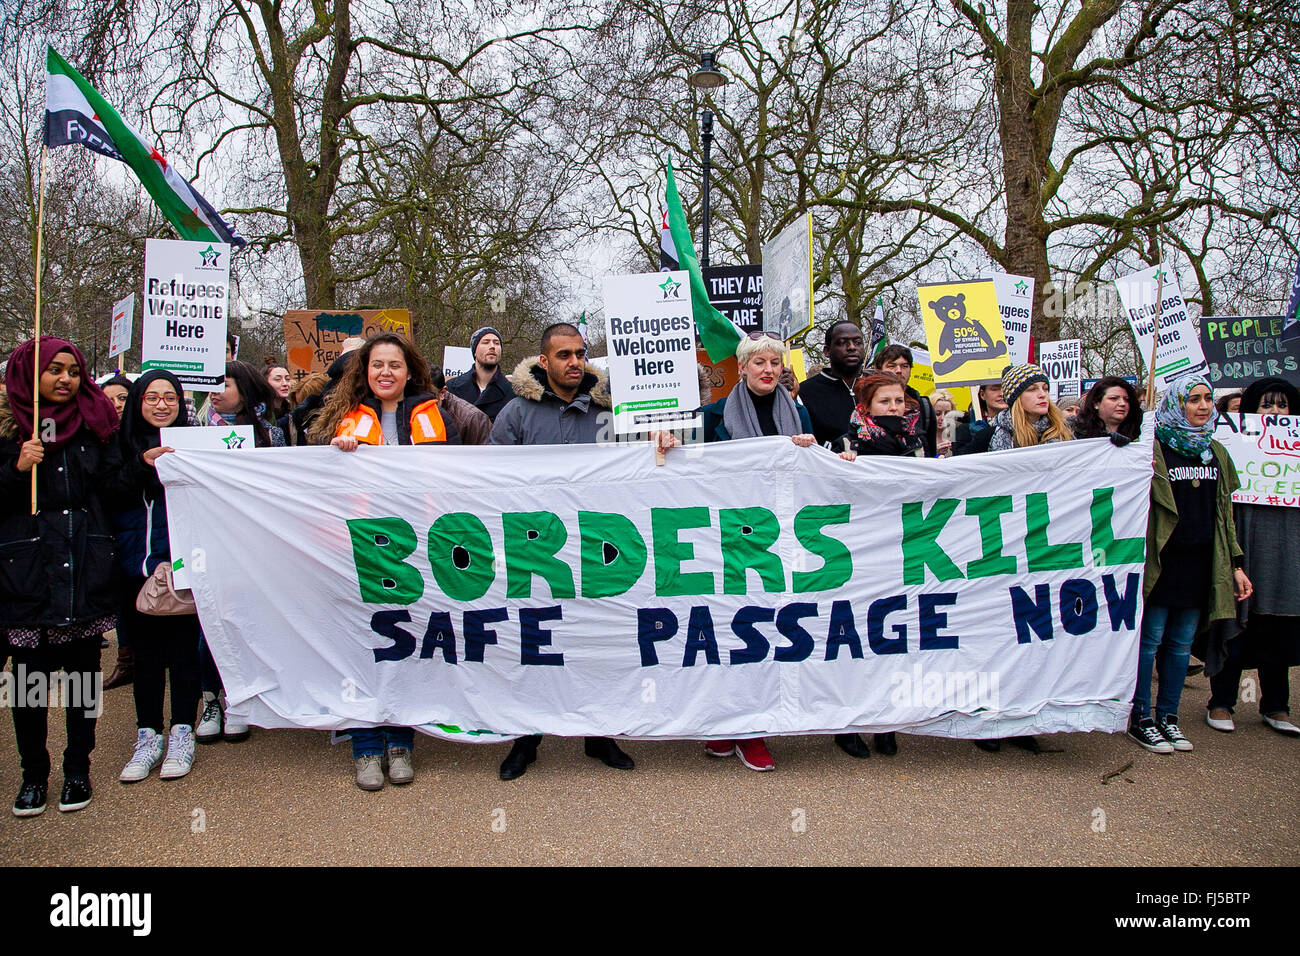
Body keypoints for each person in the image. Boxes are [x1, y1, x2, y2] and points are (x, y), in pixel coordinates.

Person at [310, 333, 460, 789]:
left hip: (415, 547)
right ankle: (365, 746)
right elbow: (316, 481)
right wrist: (335, 455)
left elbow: (457, 474)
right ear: (365, 370)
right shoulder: (345, 418)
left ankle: (400, 740)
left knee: (403, 643)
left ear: (409, 370)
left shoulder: (434, 414)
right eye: (377, 365)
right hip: (362, 549)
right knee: (362, 644)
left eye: (394, 365)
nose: (386, 373)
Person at [700, 332, 857, 768]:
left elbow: (825, 462)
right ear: (744, 368)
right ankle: (728, 724)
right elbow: (686, 466)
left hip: (782, 538)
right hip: (733, 536)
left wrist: (829, 457)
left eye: (775, 363)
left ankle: (756, 730)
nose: (768, 370)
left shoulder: (799, 413)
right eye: (759, 363)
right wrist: (668, 440)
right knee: (731, 628)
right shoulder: (714, 415)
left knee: (767, 628)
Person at [489, 322, 635, 780]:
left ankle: (599, 735)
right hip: (536, 550)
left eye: (581, 353)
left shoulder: (611, 410)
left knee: (597, 640)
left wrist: (660, 440)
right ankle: (526, 739)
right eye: (565, 355)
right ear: (544, 361)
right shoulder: (515, 413)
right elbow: (493, 480)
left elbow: (640, 469)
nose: (575, 362)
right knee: (533, 644)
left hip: (597, 547)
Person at [1, 337, 128, 816]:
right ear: (28, 374)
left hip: (83, 570)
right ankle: (34, 774)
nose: (65, 379)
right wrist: (16, 469)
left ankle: (78, 769)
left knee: (80, 680)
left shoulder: (95, 425)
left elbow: (114, 488)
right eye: (53, 369)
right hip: (27, 575)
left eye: (72, 371)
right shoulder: (11, 429)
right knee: (30, 684)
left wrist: (144, 462)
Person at [1132, 373, 1252, 754]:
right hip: (1161, 561)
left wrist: (1234, 563)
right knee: (1149, 642)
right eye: (1193, 399)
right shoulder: (1151, 450)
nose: (1202, 406)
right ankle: (1140, 718)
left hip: (1202, 563)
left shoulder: (1215, 451)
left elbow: (1224, 513)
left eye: (1207, 399)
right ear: (1175, 403)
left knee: (1181, 644)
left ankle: (1168, 716)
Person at [112, 371, 204, 782]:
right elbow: (106, 492)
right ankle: (148, 735)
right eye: (152, 397)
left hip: (182, 566)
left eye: (171, 397)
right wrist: (141, 466)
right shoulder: (116, 447)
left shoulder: (195, 446)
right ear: (138, 402)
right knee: (146, 656)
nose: (162, 404)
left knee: (183, 654)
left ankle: (183, 731)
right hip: (135, 568)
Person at [834, 371, 931, 758]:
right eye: (884, 402)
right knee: (856, 639)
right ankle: (849, 723)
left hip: (905, 549)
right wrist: (842, 464)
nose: (894, 408)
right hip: (860, 553)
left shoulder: (918, 441)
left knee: (897, 638)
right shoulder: (848, 442)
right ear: (865, 407)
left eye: (899, 401)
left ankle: (889, 721)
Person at [1206, 377, 1300, 738]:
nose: (1274, 412)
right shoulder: (1233, 446)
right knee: (1235, 622)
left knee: (1279, 627)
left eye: (1281, 405)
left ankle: (1277, 705)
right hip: (1247, 542)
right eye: (1266, 405)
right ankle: (1222, 701)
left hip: (1287, 551)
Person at [798, 321, 864, 446]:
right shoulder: (805, 392)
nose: (852, 347)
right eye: (843, 343)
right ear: (827, 351)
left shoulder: (879, 388)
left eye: (857, 342)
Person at [988, 364, 1075, 451]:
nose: (1042, 395)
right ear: (1015, 398)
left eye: (1045, 388)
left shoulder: (1065, 432)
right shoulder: (988, 437)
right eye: (1032, 389)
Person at [872, 345, 937, 456]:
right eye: (891, 366)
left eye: (904, 366)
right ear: (878, 370)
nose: (898, 371)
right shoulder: (863, 403)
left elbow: (930, 451)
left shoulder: (923, 406)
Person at [207, 361, 286, 448]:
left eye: (224, 385)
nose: (214, 391)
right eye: (213, 384)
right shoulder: (199, 425)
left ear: (244, 392)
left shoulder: (271, 435)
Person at [447, 326, 516, 421]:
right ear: (474, 351)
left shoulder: (513, 393)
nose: (492, 346)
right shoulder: (452, 389)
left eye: (496, 343)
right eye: (486, 342)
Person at [1072, 376, 1143, 441]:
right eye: (1114, 398)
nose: (1122, 403)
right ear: (1096, 403)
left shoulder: (1143, 433)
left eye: (1126, 399)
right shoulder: (1074, 434)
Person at [432, 368, 491, 445]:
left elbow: (485, 455)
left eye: (428, 396)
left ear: (442, 393)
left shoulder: (472, 419)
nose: (420, 402)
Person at [953, 382, 1007, 456]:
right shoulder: (965, 430)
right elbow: (959, 461)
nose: (1002, 393)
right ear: (982, 394)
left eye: (1005, 388)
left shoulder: (1022, 426)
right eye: (995, 389)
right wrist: (979, 439)